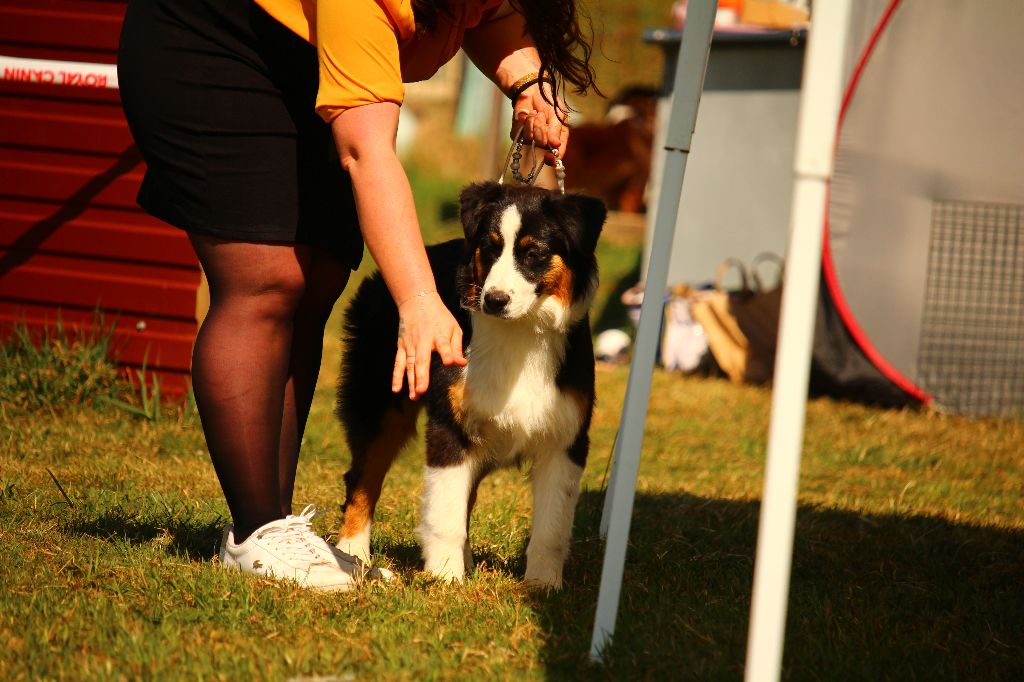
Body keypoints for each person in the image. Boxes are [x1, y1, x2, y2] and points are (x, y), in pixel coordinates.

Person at [117, 0, 598, 591]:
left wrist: (530, 81)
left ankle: (276, 527)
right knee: (268, 280)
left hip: (308, 66)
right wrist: (420, 299)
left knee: (316, 278)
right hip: (216, 45)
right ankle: (256, 533)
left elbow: (491, 17)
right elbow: (366, 154)